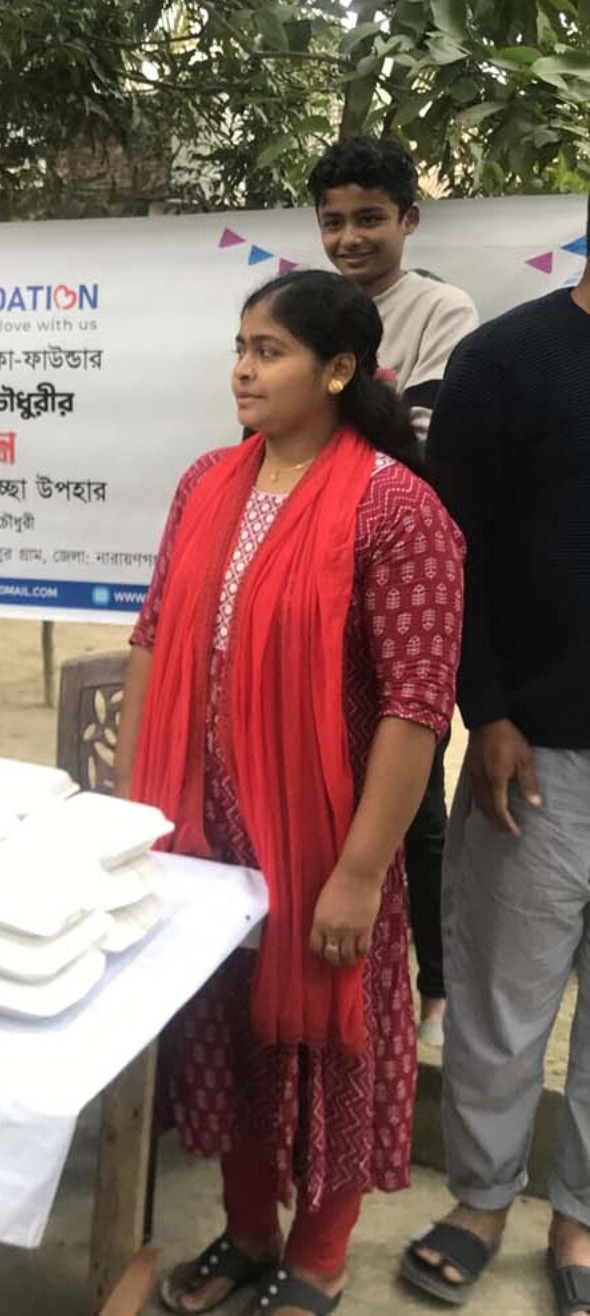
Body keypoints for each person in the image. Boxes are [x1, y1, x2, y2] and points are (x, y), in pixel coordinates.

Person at [112, 269, 463, 1316]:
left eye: (268, 351)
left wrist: (358, 874)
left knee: (324, 1049)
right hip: (203, 838)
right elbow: (153, 638)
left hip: (323, 845)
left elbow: (415, 706)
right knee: (227, 1033)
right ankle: (248, 1233)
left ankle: (318, 1261)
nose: (243, 370)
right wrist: (137, 815)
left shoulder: (396, 507)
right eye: (240, 348)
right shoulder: (206, 482)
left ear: (340, 369)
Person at [400, 200, 590, 1313]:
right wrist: (491, 712)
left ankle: (581, 1217)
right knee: (501, 1003)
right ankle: (480, 1198)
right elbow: (450, 552)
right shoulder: (506, 361)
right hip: (539, 753)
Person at [309, 135, 479, 1050]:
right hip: (312, 579)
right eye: (333, 220)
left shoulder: (441, 309)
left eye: (370, 218)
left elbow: (420, 441)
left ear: (409, 219)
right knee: (321, 784)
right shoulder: (307, 305)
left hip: (399, 578)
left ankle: (439, 987)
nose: (350, 238)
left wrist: (327, 436)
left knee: (413, 797)